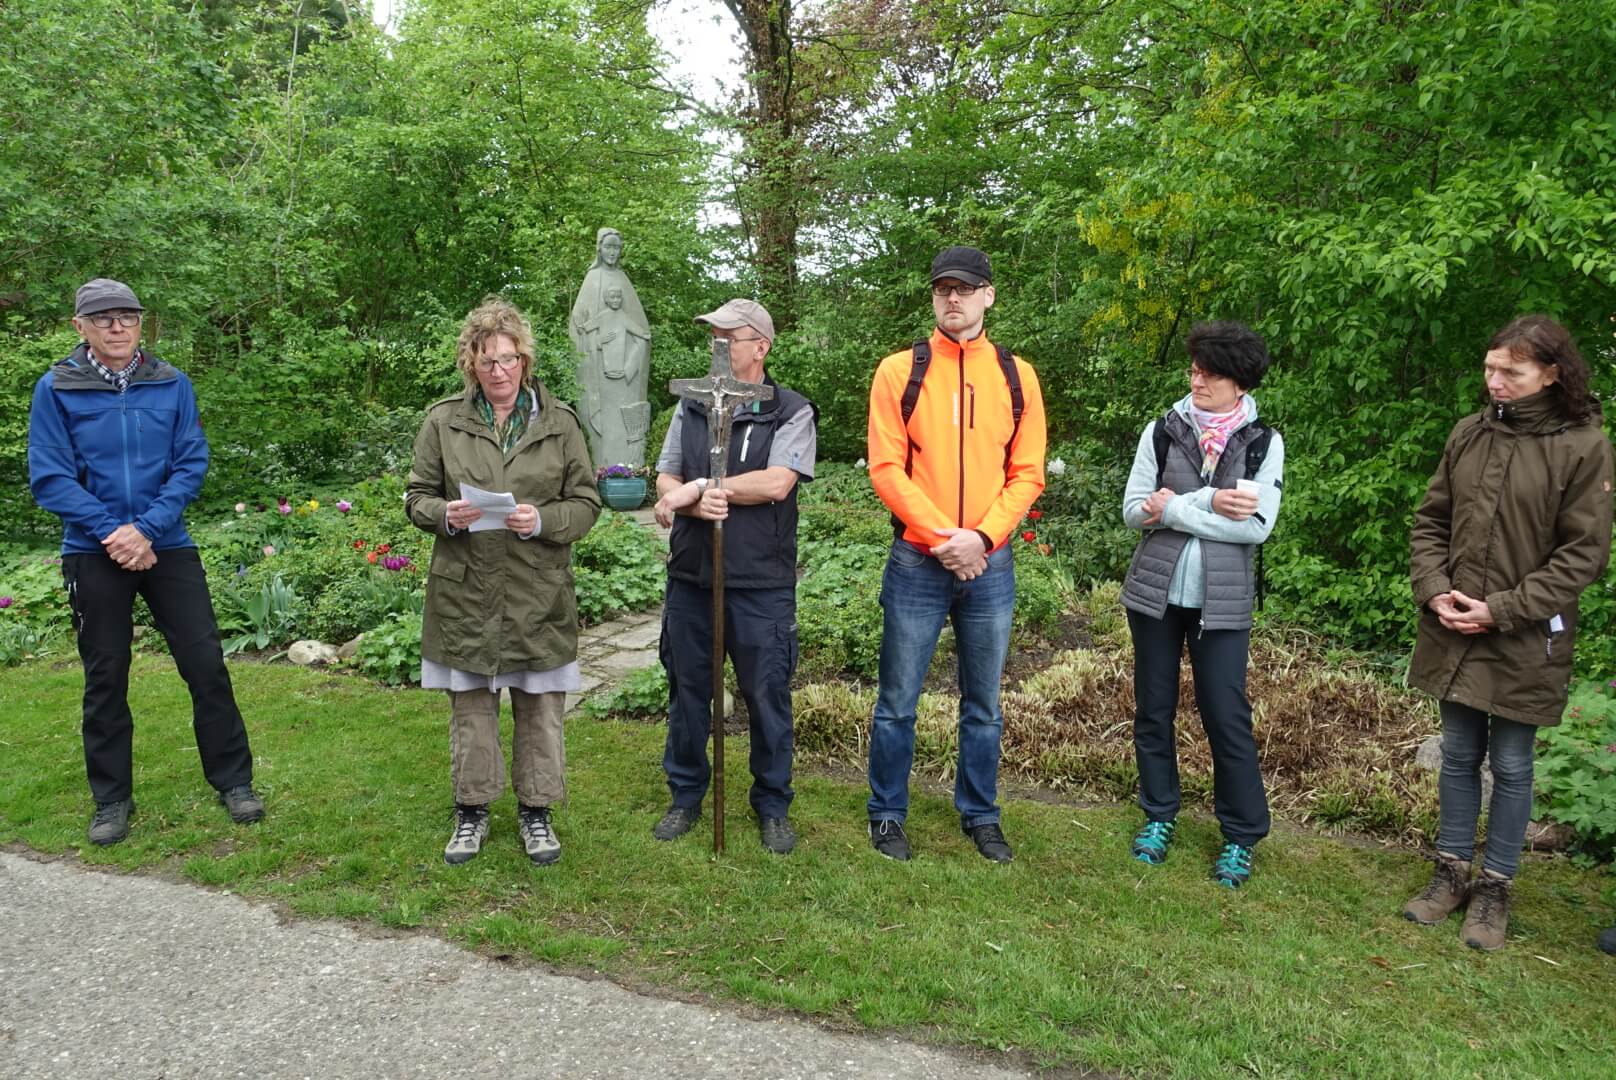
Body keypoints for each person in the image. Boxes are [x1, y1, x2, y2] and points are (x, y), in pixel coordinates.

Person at [27, 278, 263, 845]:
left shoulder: (171, 383)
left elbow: (191, 462)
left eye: (127, 317)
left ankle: (234, 782)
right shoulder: (56, 388)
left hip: (167, 543)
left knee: (205, 663)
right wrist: (114, 532)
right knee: (105, 676)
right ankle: (111, 799)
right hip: (93, 549)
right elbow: (50, 476)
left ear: (140, 323)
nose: (117, 327)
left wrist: (147, 529)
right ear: (79, 326)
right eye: (102, 318)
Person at [1402, 315, 1613, 950]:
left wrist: (1499, 609)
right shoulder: (1470, 433)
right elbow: (1431, 521)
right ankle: (1449, 873)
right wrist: (1434, 589)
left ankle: (1494, 888)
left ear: (1551, 374)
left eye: (1511, 372)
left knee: (1513, 764)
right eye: (1490, 368)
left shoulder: (1584, 446)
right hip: (1454, 622)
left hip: (1526, 633)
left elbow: (1583, 557)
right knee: (1459, 752)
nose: (1494, 381)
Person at [864, 246, 1047, 863]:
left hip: (988, 564)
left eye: (965, 289)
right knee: (897, 702)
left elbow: (1028, 472)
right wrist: (946, 539)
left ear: (988, 296)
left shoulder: (1017, 376)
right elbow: (886, 468)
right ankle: (887, 814)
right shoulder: (899, 371)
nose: (952, 299)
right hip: (919, 560)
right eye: (943, 288)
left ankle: (981, 814)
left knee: (984, 705)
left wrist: (982, 538)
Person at [405, 297, 602, 867]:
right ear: (470, 363)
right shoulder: (444, 421)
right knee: (471, 708)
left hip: (537, 591)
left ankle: (537, 812)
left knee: (539, 706)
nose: (499, 371)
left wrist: (542, 520)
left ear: (525, 360)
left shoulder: (560, 423)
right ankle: (472, 810)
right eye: (487, 360)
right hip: (466, 590)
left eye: (508, 359)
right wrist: (445, 514)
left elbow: (586, 503)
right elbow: (417, 496)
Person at [1119, 321, 1283, 888]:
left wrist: (1179, 507)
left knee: (1225, 714)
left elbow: (1256, 528)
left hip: (1224, 601)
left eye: (1210, 374)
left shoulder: (1262, 443)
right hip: (1154, 595)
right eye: (1194, 370)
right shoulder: (1162, 431)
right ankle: (1159, 815)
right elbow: (1133, 509)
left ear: (1241, 382)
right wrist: (1210, 504)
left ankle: (1241, 835)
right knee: (1153, 708)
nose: (1197, 381)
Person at [651, 298, 816, 854]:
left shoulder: (788, 409)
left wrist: (703, 489)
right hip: (692, 574)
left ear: (760, 346)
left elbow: (777, 482)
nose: (717, 348)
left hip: (760, 580)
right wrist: (689, 499)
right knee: (688, 690)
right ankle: (686, 795)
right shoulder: (691, 404)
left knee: (766, 693)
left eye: (728, 338)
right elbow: (667, 475)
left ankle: (772, 804)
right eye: (713, 339)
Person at [569, 227, 652, 470]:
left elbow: (641, 330)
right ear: (599, 248)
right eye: (608, 247)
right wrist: (596, 344)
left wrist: (631, 359)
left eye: (617, 247)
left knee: (624, 422)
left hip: (624, 378)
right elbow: (579, 327)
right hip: (598, 370)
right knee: (601, 426)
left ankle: (628, 470)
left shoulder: (624, 280)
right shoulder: (592, 279)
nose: (613, 252)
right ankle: (599, 472)